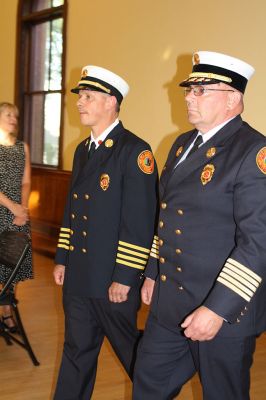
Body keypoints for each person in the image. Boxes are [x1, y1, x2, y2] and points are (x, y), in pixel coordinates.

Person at [133, 51, 266, 400]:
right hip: (170, 300)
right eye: (189, 90)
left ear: (232, 99)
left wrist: (218, 308)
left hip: (220, 310)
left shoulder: (252, 152)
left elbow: (257, 241)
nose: (190, 97)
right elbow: (168, 217)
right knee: (147, 385)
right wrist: (151, 270)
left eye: (201, 90)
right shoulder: (181, 145)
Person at [53, 65, 158, 399]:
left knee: (132, 353)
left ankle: (159, 392)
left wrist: (126, 276)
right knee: (76, 352)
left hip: (112, 280)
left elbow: (141, 222)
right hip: (80, 277)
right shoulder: (83, 150)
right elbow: (73, 210)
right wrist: (62, 258)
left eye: (88, 97)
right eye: (80, 97)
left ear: (111, 102)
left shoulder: (134, 151)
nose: (80, 103)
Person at [0, 102, 32, 333]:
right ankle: (5, 312)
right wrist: (13, 207)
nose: (14, 118)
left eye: (16, 115)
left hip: (18, 214)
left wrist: (23, 208)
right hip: (3, 209)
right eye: (8, 114)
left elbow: (26, 181)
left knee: (14, 266)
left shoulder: (23, 147)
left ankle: (6, 311)